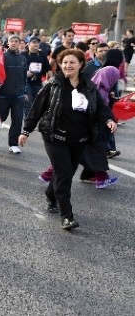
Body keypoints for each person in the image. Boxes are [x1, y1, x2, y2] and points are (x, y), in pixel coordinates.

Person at [19, 49, 117, 230]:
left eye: (72, 62)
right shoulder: (53, 84)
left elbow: (101, 107)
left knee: (66, 172)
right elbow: (37, 109)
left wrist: (109, 120)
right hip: (55, 137)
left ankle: (51, 193)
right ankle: (67, 216)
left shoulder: (88, 86)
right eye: (64, 62)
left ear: (81, 64)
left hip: (80, 139)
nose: (67, 65)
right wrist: (25, 131)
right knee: (64, 174)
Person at [23, 37, 51, 119]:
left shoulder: (42, 54)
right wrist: (26, 73)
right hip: (26, 82)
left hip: (38, 83)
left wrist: (50, 80)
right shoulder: (24, 55)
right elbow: (19, 69)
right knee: (28, 102)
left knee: (37, 103)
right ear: (29, 44)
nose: (36, 44)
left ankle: (33, 119)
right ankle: (27, 120)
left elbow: (48, 68)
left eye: (37, 43)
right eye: (34, 42)